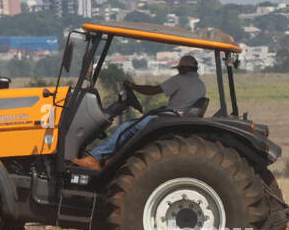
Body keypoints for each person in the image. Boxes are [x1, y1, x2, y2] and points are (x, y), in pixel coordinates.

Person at [70, 54, 207, 169]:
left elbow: (152, 91)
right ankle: (110, 160)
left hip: (170, 118)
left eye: (180, 68)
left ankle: (95, 158)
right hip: (176, 118)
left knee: (126, 128)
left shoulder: (180, 79)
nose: (179, 71)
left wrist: (133, 86)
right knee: (135, 126)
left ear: (184, 68)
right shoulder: (201, 84)